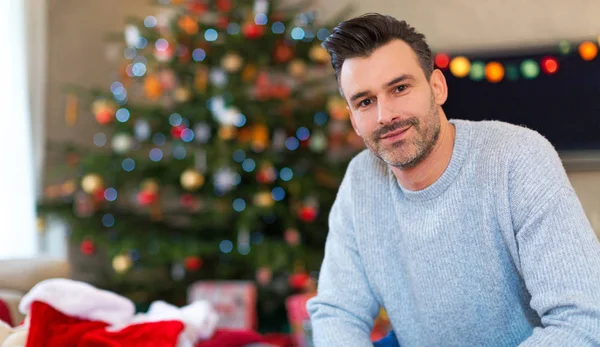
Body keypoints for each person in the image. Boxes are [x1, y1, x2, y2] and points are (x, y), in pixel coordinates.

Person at [306, 12, 600, 347]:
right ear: (354, 121)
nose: (385, 115)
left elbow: (583, 321)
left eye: (400, 88)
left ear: (437, 87)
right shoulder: (361, 180)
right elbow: (337, 313)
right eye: (365, 101)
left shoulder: (518, 158)